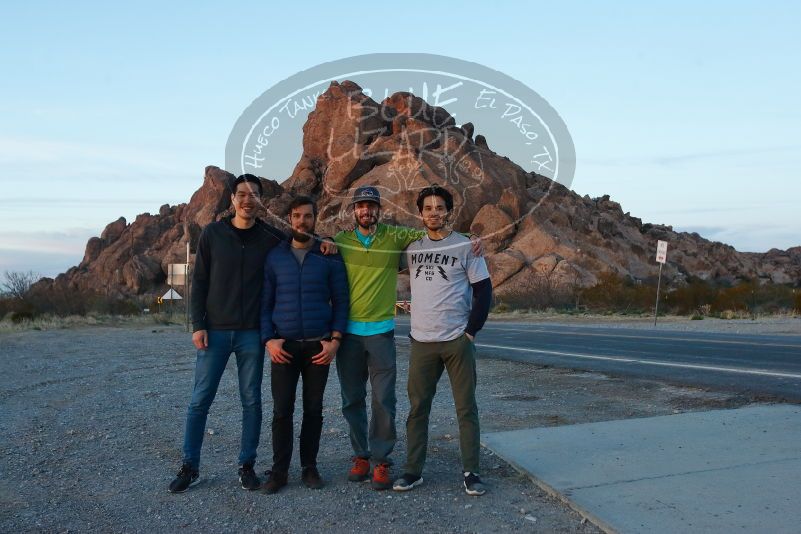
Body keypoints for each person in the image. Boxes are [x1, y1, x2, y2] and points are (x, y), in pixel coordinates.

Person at [168, 175, 336, 494]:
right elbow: (200, 280)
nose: (248, 199)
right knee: (200, 400)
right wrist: (197, 324)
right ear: (232, 199)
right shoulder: (213, 234)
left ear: (260, 201)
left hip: (252, 334)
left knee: (251, 401)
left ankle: (247, 465)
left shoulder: (270, 236)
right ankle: (190, 466)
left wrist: (325, 239)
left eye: (254, 195)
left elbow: (302, 235)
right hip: (214, 330)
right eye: (242, 194)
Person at [333, 186, 481, 490]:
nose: (366, 211)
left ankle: (382, 460)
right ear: (353, 211)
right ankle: (362, 455)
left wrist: (473, 239)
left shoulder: (397, 237)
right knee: (353, 400)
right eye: (361, 206)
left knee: (384, 401)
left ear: (379, 210)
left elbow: (442, 236)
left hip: (382, 332)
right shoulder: (340, 242)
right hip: (350, 334)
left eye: (371, 206)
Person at [392, 185, 492, 496]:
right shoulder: (412, 249)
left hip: (455, 339)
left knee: (466, 408)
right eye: (428, 208)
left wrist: (471, 331)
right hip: (422, 341)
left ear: (448, 211)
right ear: (420, 213)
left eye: (440, 207)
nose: (434, 212)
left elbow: (484, 290)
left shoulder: (465, 246)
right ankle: (412, 470)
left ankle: (471, 471)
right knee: (418, 408)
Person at [259, 196, 349, 494]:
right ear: (289, 219)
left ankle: (310, 468)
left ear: (315, 218)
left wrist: (335, 340)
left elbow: (341, 301)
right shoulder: (275, 257)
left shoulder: (329, 255)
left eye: (307, 216)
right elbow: (265, 303)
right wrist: (268, 340)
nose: (301, 221)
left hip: (317, 347)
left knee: (314, 410)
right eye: (296, 216)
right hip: (282, 347)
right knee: (282, 411)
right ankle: (280, 471)